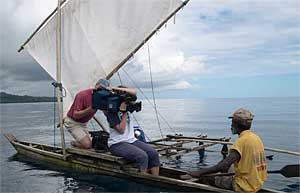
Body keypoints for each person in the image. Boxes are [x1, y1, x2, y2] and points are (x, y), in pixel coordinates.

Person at [187, 108, 267, 192]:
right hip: (257, 182)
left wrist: (200, 172)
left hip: (244, 186)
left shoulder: (241, 142)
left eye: (232, 123)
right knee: (228, 167)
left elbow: (224, 165)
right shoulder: (255, 138)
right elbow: (227, 163)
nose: (231, 125)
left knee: (208, 177)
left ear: (236, 124)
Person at [104, 86, 160, 176]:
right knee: (142, 156)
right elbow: (121, 130)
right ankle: (144, 179)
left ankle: (156, 179)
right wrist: (124, 112)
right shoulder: (112, 113)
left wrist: (127, 107)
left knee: (153, 153)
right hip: (117, 144)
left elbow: (134, 92)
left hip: (131, 140)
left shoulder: (129, 108)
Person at [64, 78, 110, 149]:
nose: (101, 91)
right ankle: (73, 143)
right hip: (72, 122)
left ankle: (81, 142)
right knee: (88, 145)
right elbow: (75, 115)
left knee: (94, 144)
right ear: (96, 85)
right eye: (100, 88)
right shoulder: (82, 95)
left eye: (104, 89)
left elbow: (106, 114)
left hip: (83, 123)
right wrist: (91, 108)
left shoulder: (102, 98)